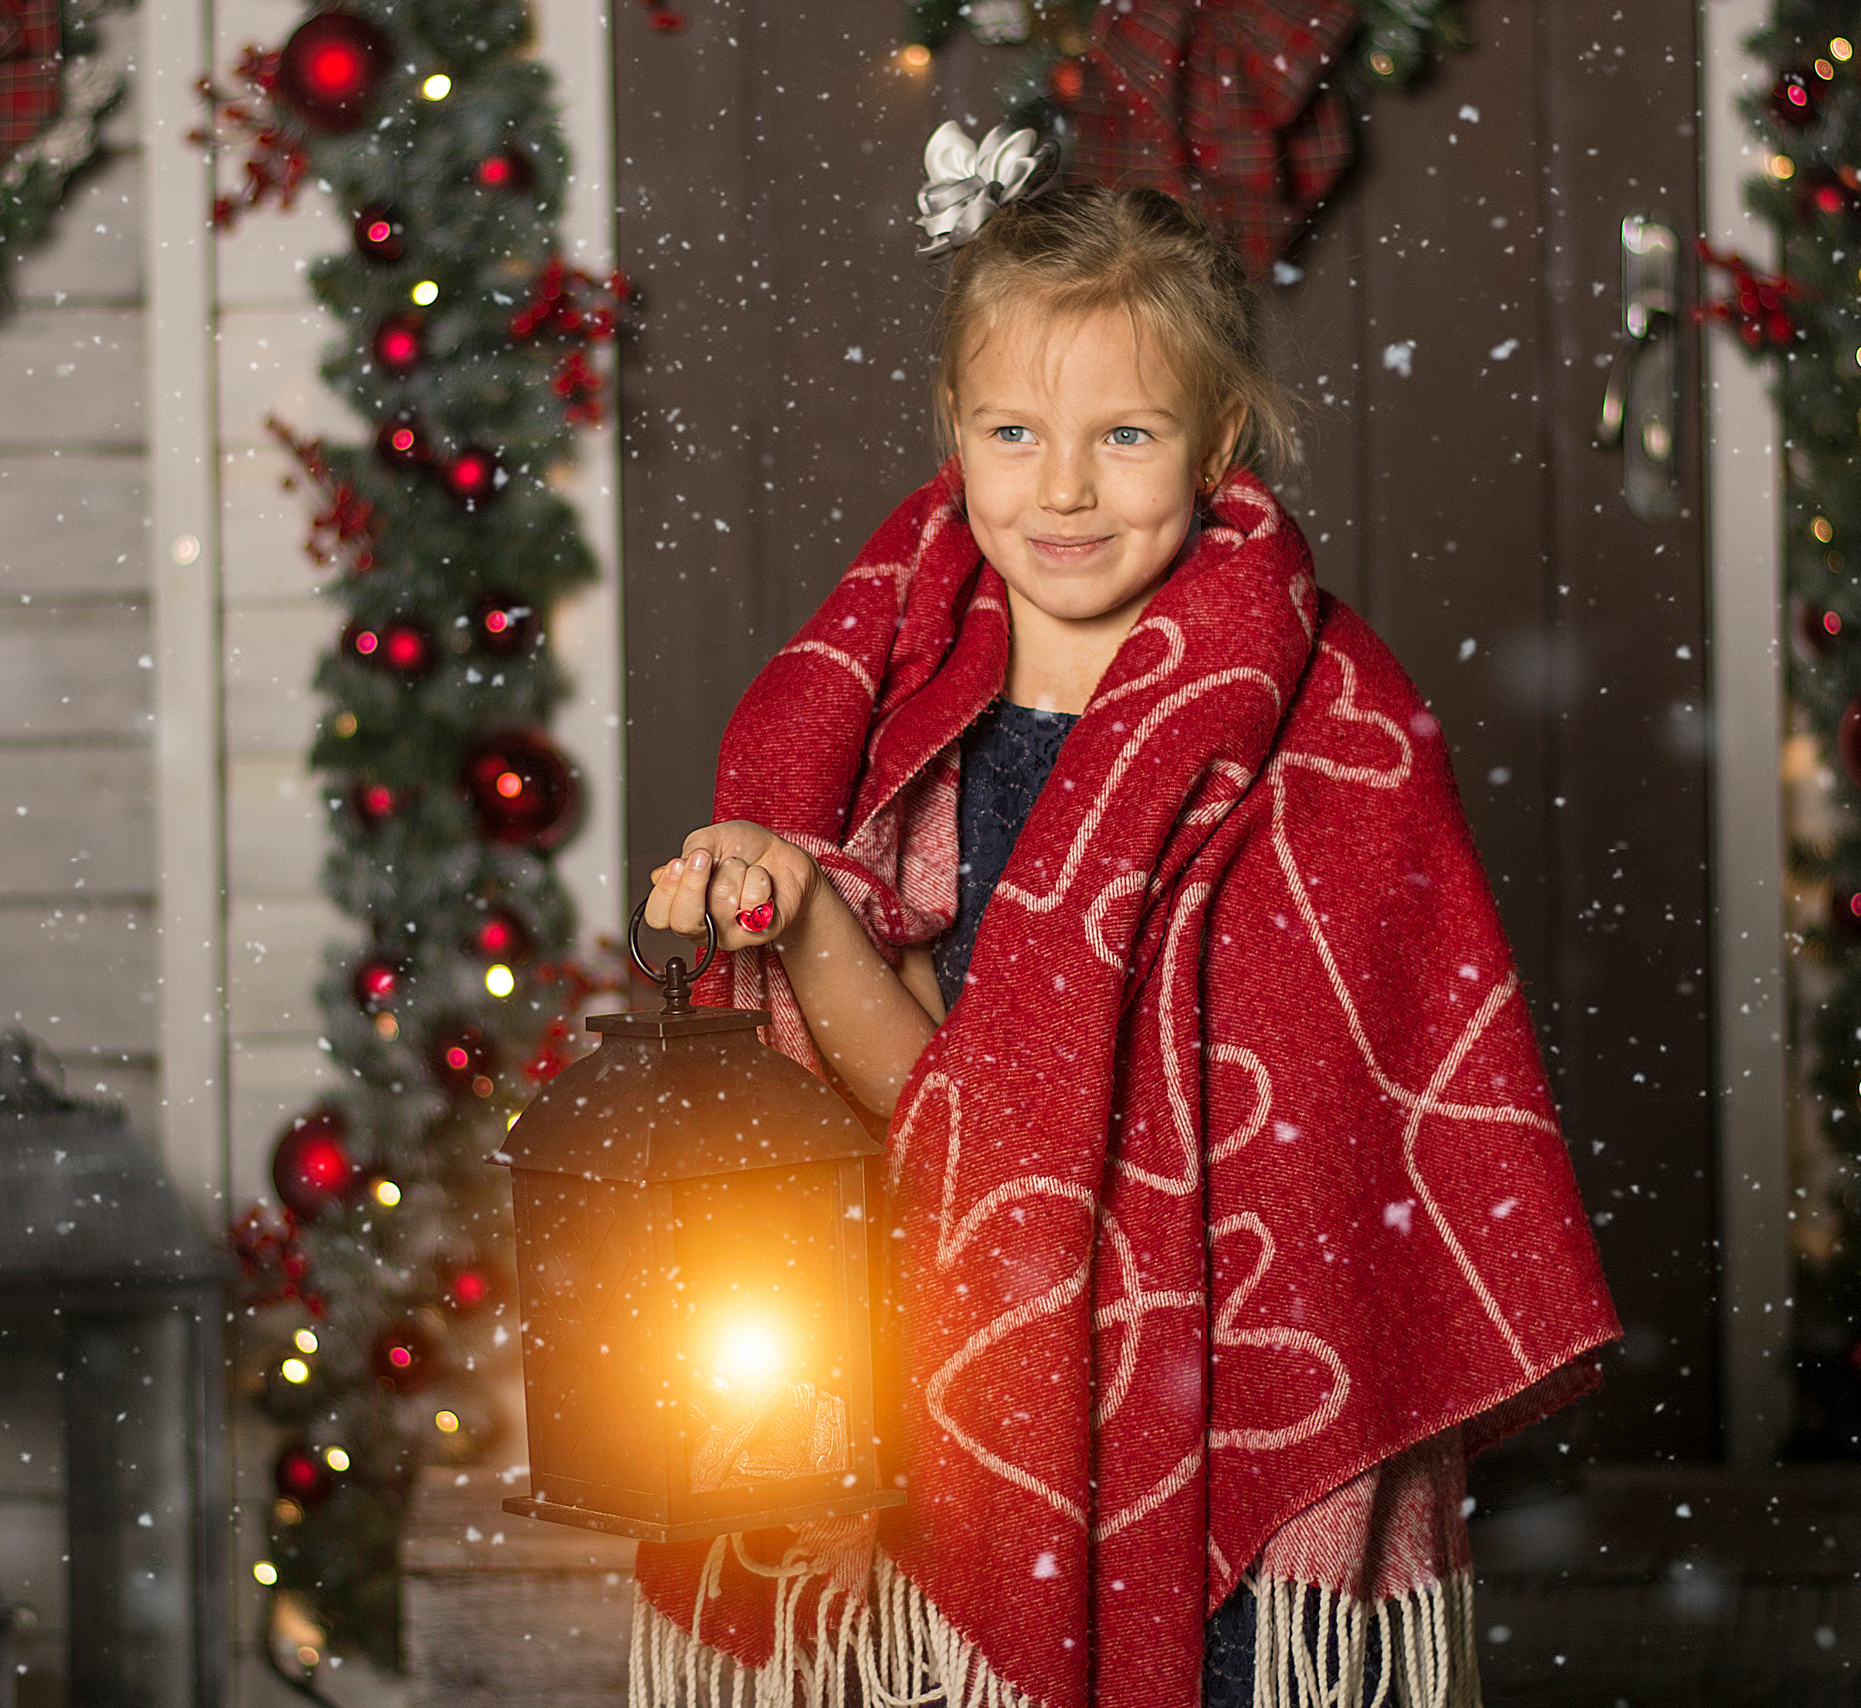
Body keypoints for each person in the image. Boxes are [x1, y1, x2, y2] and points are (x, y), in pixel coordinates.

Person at [627, 121, 1618, 1708]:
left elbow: (1357, 1132)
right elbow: (945, 1110)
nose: (1065, 488)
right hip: (969, 1372)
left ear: (1224, 442)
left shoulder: (1333, 740)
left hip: (1223, 1394)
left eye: (1128, 435)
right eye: (1014, 432)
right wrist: (801, 902)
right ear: (952, 432)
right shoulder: (891, 733)